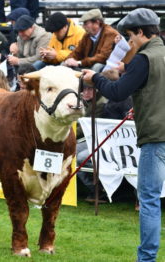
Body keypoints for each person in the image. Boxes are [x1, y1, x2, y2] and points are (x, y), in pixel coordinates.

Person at [82, 8, 165, 262]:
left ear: (141, 32)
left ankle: (146, 259)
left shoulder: (145, 57)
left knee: (149, 199)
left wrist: (95, 78)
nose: (130, 42)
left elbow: (117, 92)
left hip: (155, 135)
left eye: (130, 36)